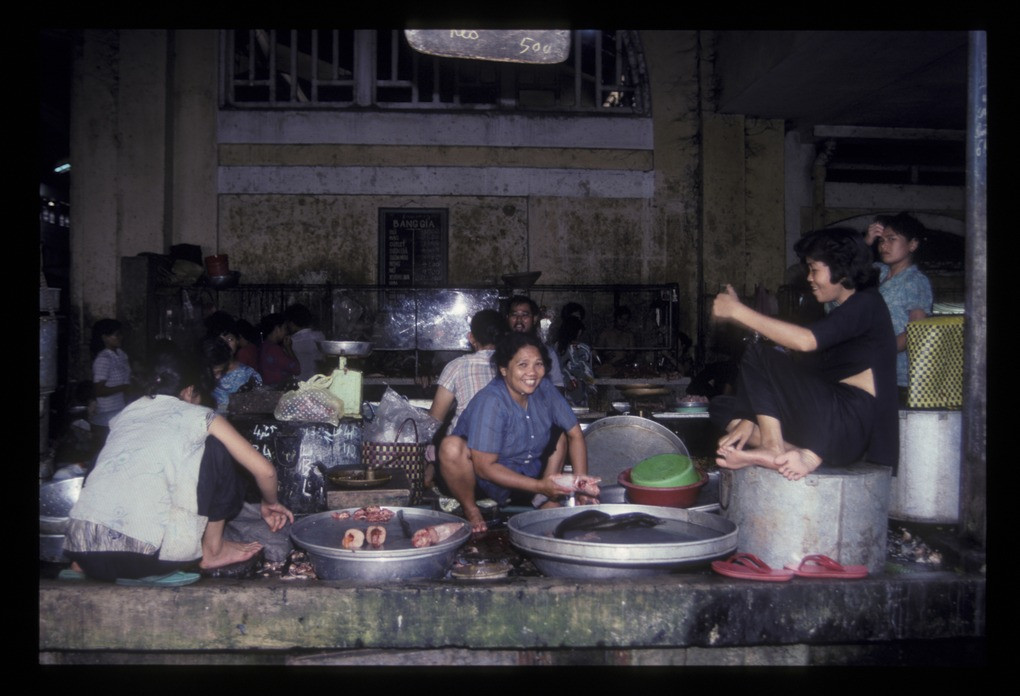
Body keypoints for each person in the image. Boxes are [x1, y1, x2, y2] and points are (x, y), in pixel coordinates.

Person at [63, 348, 294, 582]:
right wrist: (270, 502)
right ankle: (213, 550)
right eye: (198, 395)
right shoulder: (201, 416)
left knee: (109, 455)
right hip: (148, 559)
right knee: (215, 448)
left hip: (83, 551)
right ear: (189, 391)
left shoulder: (125, 415)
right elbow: (265, 470)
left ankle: (80, 562)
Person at [709, 227, 898, 481]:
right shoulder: (841, 313)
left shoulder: (868, 304)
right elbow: (796, 373)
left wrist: (737, 311)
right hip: (828, 431)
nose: (809, 277)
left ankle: (774, 447)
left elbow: (805, 341)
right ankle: (797, 454)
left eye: (814, 269)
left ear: (841, 269)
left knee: (760, 353)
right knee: (724, 407)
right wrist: (751, 415)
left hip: (849, 425)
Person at [437, 332, 598, 532]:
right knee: (451, 447)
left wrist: (581, 486)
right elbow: (484, 467)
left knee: (561, 435)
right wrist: (539, 486)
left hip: (528, 474)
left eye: (538, 364)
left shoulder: (545, 388)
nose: (532, 373)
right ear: (504, 369)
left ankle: (545, 499)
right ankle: (471, 510)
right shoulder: (491, 401)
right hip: (483, 482)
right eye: (523, 365)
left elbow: (575, 434)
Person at [874, 212, 934, 399]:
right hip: (876, 372)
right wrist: (867, 240)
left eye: (892, 239)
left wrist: (880, 352)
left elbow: (915, 332)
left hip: (901, 378)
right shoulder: (878, 272)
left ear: (912, 244)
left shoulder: (915, 281)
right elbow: (849, 268)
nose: (884, 245)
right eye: (881, 240)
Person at [429, 309, 506, 430]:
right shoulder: (513, 366)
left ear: (471, 337)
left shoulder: (456, 366)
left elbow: (434, 421)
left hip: (462, 444)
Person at [88, 318, 133, 454]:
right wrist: (123, 388)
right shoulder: (103, 359)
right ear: (105, 338)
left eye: (120, 334)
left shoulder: (121, 355)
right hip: (106, 413)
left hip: (120, 408)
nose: (121, 337)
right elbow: (99, 390)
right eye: (116, 335)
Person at [505, 295, 564, 387]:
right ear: (507, 318)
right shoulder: (500, 350)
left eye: (525, 315)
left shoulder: (547, 353)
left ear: (534, 319)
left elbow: (558, 386)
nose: (519, 320)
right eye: (514, 315)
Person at [202, 336, 262, 413]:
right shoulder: (192, 386)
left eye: (222, 371)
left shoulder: (248, 374)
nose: (219, 376)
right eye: (215, 372)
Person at [555, 315, 594, 407]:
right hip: (572, 390)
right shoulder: (584, 348)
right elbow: (588, 372)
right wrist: (592, 387)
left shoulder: (556, 347)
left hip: (566, 391)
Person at [284, 303, 326, 380]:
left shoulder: (290, 341)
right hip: (318, 382)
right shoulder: (320, 336)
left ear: (291, 324)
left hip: (298, 383)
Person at [258, 312, 301, 386]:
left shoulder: (264, 346)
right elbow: (296, 369)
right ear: (277, 329)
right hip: (278, 392)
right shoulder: (274, 350)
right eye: (284, 328)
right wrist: (289, 348)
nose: (286, 332)